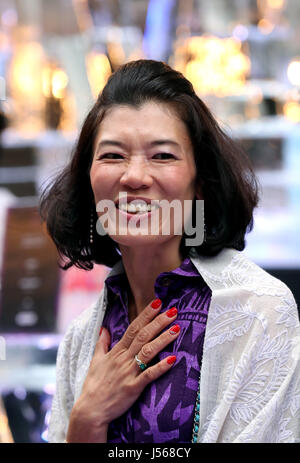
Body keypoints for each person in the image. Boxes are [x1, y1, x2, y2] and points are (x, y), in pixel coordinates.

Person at [40, 59, 300, 443]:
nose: (134, 176)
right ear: (89, 179)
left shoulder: (259, 312)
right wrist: (85, 422)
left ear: (200, 184)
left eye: (163, 156)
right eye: (113, 155)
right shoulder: (82, 337)